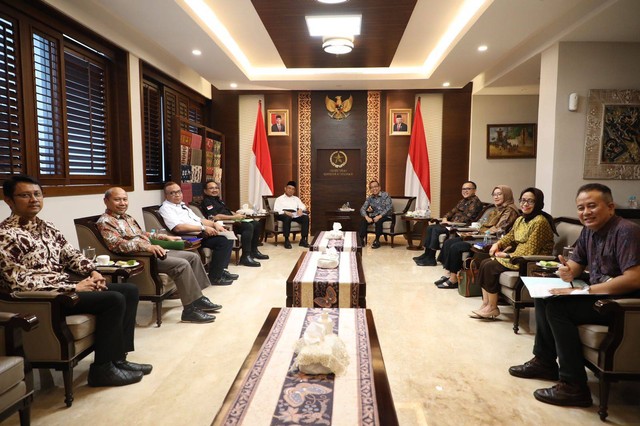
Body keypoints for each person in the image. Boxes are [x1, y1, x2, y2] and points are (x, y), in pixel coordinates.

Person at [0, 175, 151, 387]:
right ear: (9, 200)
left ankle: (119, 359)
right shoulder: (6, 235)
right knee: (114, 299)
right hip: (47, 298)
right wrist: (74, 286)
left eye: (37, 194)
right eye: (25, 195)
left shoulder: (47, 227)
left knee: (129, 290)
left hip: (66, 288)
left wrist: (93, 272)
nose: (33, 199)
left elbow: (71, 255)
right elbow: (18, 282)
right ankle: (102, 370)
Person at [509, 184, 640, 408]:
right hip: (600, 293)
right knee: (546, 294)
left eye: (592, 206)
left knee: (559, 308)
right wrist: (567, 270)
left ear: (610, 207)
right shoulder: (589, 230)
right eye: (581, 207)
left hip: (620, 303)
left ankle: (573, 387)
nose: (586, 212)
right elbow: (576, 263)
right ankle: (545, 361)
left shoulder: (626, 230)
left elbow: (634, 279)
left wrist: (585, 290)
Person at [97, 187, 221, 324]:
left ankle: (198, 299)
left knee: (192, 256)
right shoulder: (105, 221)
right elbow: (118, 245)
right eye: (117, 199)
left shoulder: (127, 217)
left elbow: (142, 234)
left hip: (152, 251)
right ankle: (189, 311)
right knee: (182, 264)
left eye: (125, 199)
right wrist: (147, 247)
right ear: (106, 201)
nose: (122, 203)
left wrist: (164, 237)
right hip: (139, 257)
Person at [470, 187, 555, 319]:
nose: (525, 204)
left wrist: (507, 255)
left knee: (490, 266)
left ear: (538, 203)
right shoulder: (521, 219)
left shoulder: (540, 222)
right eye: (523, 200)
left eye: (530, 201)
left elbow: (531, 250)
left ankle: (493, 308)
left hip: (530, 261)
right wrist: (498, 244)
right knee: (484, 262)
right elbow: (510, 236)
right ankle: (486, 304)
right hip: (517, 256)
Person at [434, 185, 520, 289]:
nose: (496, 197)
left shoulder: (510, 210)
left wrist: (479, 232)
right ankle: (448, 274)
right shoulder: (497, 209)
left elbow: (498, 229)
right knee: (449, 242)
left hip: (491, 241)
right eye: (494, 194)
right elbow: (485, 225)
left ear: (507, 195)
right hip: (482, 236)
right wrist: (477, 231)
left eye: (499, 194)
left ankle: (453, 280)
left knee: (456, 247)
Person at [158, 182, 236, 286]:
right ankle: (215, 277)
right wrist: (203, 228)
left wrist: (214, 224)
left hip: (200, 233)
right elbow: (178, 228)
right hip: (190, 237)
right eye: (172, 193)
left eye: (179, 192)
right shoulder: (166, 208)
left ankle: (221, 271)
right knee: (223, 242)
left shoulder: (182, 206)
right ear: (166, 195)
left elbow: (199, 219)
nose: (177, 195)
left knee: (228, 237)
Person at [414, 181, 484, 266]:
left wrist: (450, 222)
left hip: (459, 227)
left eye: (468, 189)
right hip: (450, 224)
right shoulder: (462, 201)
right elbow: (451, 212)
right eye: (463, 189)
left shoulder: (475, 202)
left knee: (436, 229)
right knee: (430, 227)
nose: (465, 191)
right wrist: (445, 218)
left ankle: (431, 258)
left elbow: (467, 218)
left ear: (474, 190)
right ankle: (427, 254)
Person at [201, 180, 268, 267]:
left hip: (233, 221)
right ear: (205, 191)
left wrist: (237, 214)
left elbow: (227, 212)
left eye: (216, 188)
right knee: (248, 226)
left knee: (256, 224)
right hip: (225, 225)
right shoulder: (207, 202)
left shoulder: (219, 200)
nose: (215, 190)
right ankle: (245, 256)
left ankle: (254, 251)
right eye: (211, 188)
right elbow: (215, 216)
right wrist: (234, 217)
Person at [273, 181, 309, 249]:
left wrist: (300, 209)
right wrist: (285, 212)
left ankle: (303, 240)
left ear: (294, 191)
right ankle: (286, 240)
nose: (291, 190)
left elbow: (303, 206)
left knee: (305, 217)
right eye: (289, 188)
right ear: (285, 189)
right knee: (287, 218)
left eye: (293, 189)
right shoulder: (279, 199)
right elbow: (276, 209)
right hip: (283, 214)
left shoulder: (296, 199)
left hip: (294, 214)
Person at [358, 180, 392, 249]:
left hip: (386, 215)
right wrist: (367, 217)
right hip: (375, 215)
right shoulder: (370, 198)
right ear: (370, 189)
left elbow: (388, 208)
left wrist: (379, 216)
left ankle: (377, 241)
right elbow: (362, 209)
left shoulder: (385, 195)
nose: (374, 189)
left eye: (375, 186)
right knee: (363, 220)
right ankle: (361, 240)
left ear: (379, 187)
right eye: (372, 187)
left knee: (378, 221)